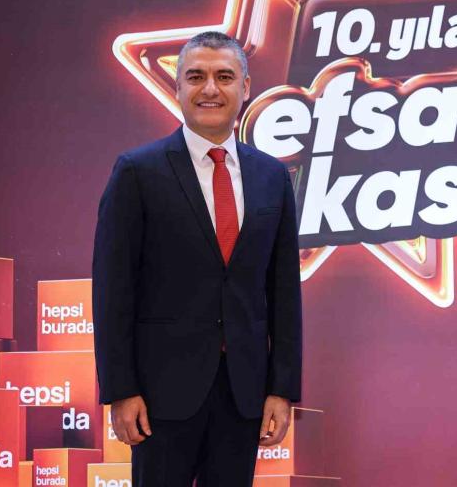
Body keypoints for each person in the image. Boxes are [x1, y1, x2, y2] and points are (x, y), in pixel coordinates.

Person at [93, 31, 302, 486]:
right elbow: (113, 291)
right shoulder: (137, 171)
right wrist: (120, 390)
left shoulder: (272, 176)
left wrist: (282, 389)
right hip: (159, 395)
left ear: (245, 87)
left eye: (224, 77)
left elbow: (284, 290)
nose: (210, 89)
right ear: (178, 87)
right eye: (196, 77)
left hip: (244, 393)